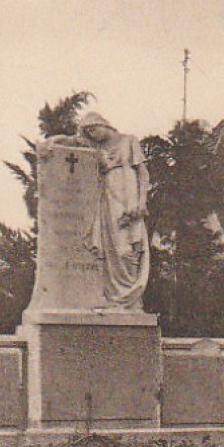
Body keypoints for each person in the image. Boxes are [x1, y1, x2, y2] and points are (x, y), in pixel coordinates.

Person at [78, 111, 150, 310]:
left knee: (129, 247)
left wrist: (142, 200)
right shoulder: (96, 149)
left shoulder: (129, 141)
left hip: (129, 194)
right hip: (109, 197)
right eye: (88, 133)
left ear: (103, 124)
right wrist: (50, 143)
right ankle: (115, 299)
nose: (92, 135)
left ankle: (131, 299)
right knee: (112, 249)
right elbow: (70, 142)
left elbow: (143, 173)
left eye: (93, 129)